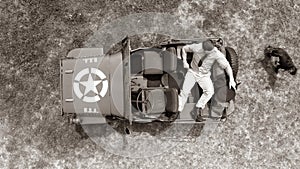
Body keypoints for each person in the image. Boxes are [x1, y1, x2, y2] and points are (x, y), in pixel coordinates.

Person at [178, 39, 236, 122]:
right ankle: (178, 110)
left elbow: (227, 66)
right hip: (193, 72)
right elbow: (184, 49)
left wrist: (231, 79)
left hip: (204, 75)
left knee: (209, 92)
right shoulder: (197, 47)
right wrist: (184, 61)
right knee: (184, 91)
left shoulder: (216, 54)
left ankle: (198, 109)